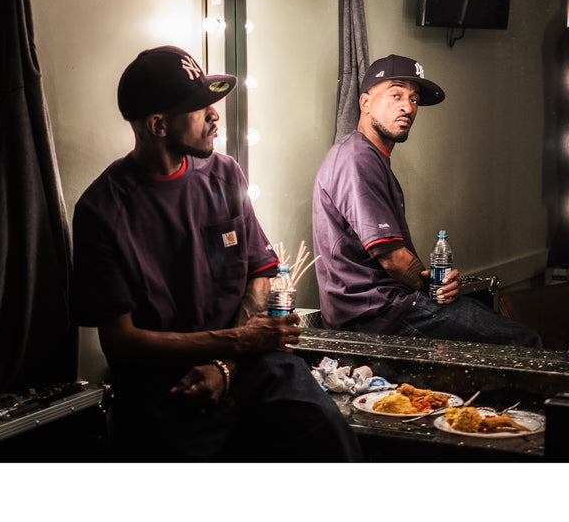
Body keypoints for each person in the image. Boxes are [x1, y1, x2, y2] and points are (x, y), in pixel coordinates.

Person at [71, 46, 361, 462]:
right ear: (157, 124)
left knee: (326, 434)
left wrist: (227, 360)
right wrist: (239, 339)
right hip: (169, 386)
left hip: (249, 366)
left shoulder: (225, 174)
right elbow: (121, 342)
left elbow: (257, 275)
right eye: (198, 106)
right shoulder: (102, 211)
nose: (214, 115)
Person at [312, 54, 543, 348]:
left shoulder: (367, 156)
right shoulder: (357, 158)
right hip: (376, 317)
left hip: (386, 309)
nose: (407, 107)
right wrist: (435, 288)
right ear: (366, 103)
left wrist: (440, 284)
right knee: (524, 341)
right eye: (395, 94)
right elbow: (393, 258)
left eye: (414, 99)